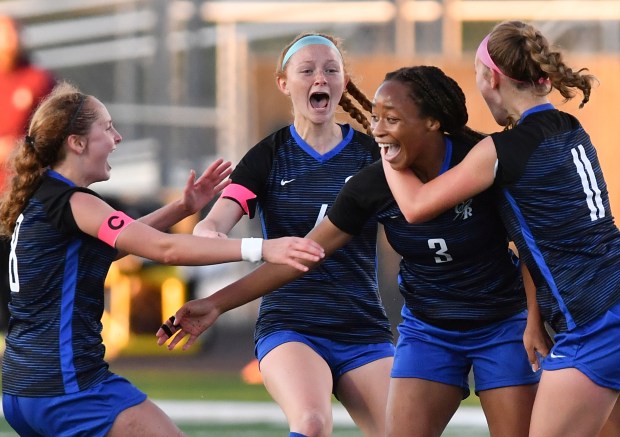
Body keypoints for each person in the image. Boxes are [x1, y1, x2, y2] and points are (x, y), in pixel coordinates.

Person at [158, 65, 552, 437]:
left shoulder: (484, 160)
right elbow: (304, 254)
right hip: (430, 329)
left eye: (391, 120)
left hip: (500, 324)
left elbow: (534, 245)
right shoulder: (371, 183)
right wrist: (216, 304)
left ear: (432, 122)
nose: (377, 130)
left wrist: (534, 321)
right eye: (376, 118)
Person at [0, 81, 324, 437]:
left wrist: (182, 209)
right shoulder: (76, 203)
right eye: (107, 128)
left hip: (23, 390)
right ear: (76, 143)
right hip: (68, 387)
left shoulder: (42, 198)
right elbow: (163, 249)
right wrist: (261, 248)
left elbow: (120, 244)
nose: (118, 137)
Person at [381, 21, 620, 437]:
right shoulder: (569, 128)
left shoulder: (500, 150)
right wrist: (534, 320)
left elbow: (416, 206)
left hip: (594, 321)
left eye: (477, 75)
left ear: (492, 77)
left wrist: (387, 144)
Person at [190, 32, 394, 437]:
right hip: (292, 326)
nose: (320, 78)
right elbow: (212, 224)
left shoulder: (373, 156)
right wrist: (209, 235)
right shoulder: (269, 156)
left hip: (363, 327)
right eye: (307, 70)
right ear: (285, 84)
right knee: (312, 423)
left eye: (330, 70)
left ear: (342, 83)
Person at [0, 15, 56, 331]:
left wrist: (19, 148)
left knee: (21, 268)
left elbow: (54, 134)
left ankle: (21, 334)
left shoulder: (38, 80)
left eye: (13, 34)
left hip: (24, 196)